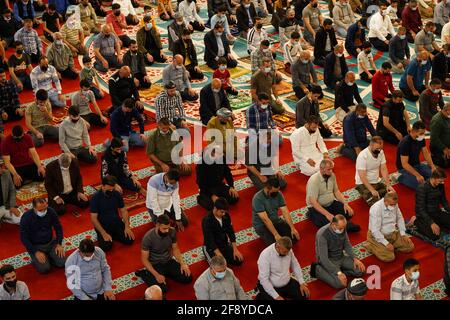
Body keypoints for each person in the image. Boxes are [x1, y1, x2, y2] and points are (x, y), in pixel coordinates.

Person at [136, 214, 193, 294]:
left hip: (168, 261)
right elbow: (144, 259)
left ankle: (166, 273)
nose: (167, 231)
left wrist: (182, 263)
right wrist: (156, 275)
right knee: (162, 289)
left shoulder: (172, 231)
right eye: (164, 228)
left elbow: (175, 249)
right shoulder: (148, 238)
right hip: (155, 264)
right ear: (157, 225)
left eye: (168, 228)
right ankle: (144, 273)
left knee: (188, 278)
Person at [311, 215, 366, 289]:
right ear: (333, 224)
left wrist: (355, 258)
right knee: (340, 284)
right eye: (340, 228)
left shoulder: (342, 228)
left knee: (360, 271)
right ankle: (318, 270)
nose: (343, 230)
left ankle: (339, 272)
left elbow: (347, 245)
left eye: (344, 228)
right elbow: (323, 258)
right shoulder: (322, 234)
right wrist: (338, 272)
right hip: (329, 261)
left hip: (340, 257)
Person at [306, 159, 360, 231]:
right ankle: (311, 214)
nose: (331, 171)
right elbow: (313, 202)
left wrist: (345, 204)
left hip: (330, 203)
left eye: (332, 169)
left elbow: (336, 191)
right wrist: (327, 214)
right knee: (327, 224)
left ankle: (339, 223)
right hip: (317, 207)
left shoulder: (331, 175)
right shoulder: (314, 180)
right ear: (321, 169)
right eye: (329, 169)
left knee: (348, 213)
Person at [20, 197, 66, 274]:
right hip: (36, 246)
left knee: (63, 263)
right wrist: (35, 252)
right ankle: (41, 258)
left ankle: (49, 257)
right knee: (44, 269)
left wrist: (59, 244)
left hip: (51, 243)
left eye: (45, 208)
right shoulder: (26, 217)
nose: (44, 211)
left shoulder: (51, 211)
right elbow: (24, 238)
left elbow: (58, 228)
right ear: (34, 208)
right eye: (40, 210)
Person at [90, 175, 135, 252]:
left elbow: (124, 210)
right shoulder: (95, 198)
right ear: (103, 186)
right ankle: (109, 235)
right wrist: (103, 233)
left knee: (129, 240)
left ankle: (113, 235)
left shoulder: (116, 194)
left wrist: (127, 226)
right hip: (103, 225)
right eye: (109, 190)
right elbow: (93, 218)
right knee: (106, 247)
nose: (111, 192)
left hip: (116, 222)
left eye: (112, 189)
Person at [368, 192, 415, 262]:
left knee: (410, 247)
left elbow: (399, 218)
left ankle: (388, 247)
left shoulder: (394, 204)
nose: (393, 206)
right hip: (378, 236)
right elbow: (375, 231)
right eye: (391, 205)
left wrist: (403, 234)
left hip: (392, 233)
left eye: (394, 204)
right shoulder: (375, 209)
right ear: (385, 201)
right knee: (389, 257)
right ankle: (372, 245)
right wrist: (386, 243)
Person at [252, 178, 299, 245]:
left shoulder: (278, 193)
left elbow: (285, 211)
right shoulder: (257, 198)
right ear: (268, 188)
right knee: (276, 245)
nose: (276, 193)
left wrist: (292, 228)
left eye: (277, 190)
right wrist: (276, 234)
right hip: (262, 225)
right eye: (274, 191)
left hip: (275, 220)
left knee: (293, 239)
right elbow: (265, 219)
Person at [201, 198, 243, 266]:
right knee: (219, 267)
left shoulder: (226, 215)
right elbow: (209, 240)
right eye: (222, 212)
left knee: (238, 260)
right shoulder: (207, 221)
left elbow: (230, 231)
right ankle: (208, 256)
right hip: (211, 248)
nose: (224, 214)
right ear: (215, 208)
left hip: (223, 244)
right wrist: (220, 255)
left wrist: (235, 249)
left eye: (225, 212)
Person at [397, 120, 435, 190]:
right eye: (421, 133)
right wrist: (417, 175)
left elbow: (426, 152)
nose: (423, 135)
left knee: (434, 176)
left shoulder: (420, 138)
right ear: (414, 131)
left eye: (424, 133)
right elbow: (404, 164)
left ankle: (420, 175)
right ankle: (401, 177)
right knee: (419, 185)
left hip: (417, 165)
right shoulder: (405, 143)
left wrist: (432, 166)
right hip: (404, 168)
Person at [355, 136, 393, 206]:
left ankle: (371, 193)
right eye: (377, 148)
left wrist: (388, 184)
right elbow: (362, 176)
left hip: (376, 181)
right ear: (371, 145)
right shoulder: (362, 156)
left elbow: (383, 169)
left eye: (381, 148)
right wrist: (372, 190)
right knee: (376, 204)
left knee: (391, 196)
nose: (379, 150)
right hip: (363, 183)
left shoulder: (381, 152)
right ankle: (365, 192)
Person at [414, 169, 450, 241]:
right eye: (440, 181)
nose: (442, 183)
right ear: (434, 178)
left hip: (437, 212)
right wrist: (431, 223)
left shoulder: (440, 185)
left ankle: (439, 224)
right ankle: (416, 221)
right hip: (424, 216)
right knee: (434, 236)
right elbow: (420, 209)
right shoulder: (422, 188)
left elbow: (444, 201)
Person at [0, 159, 22, 225]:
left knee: (21, 220)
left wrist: (12, 205)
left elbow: (12, 190)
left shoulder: (6, 173)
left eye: (1, 166)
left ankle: (4, 217)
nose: (2, 169)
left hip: (6, 205)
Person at [429, 103, 450, 167]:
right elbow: (434, 138)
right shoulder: (437, 120)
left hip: (447, 143)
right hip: (439, 147)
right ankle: (433, 156)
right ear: (447, 110)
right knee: (446, 164)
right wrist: (444, 148)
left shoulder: (448, 116)